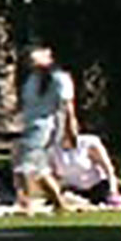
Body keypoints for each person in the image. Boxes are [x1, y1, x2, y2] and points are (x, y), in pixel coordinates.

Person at [14, 47, 78, 212]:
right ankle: (59, 205)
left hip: (45, 127)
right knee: (39, 169)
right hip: (31, 126)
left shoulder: (60, 78)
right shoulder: (32, 79)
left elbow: (67, 108)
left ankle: (25, 205)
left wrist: (71, 131)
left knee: (24, 166)